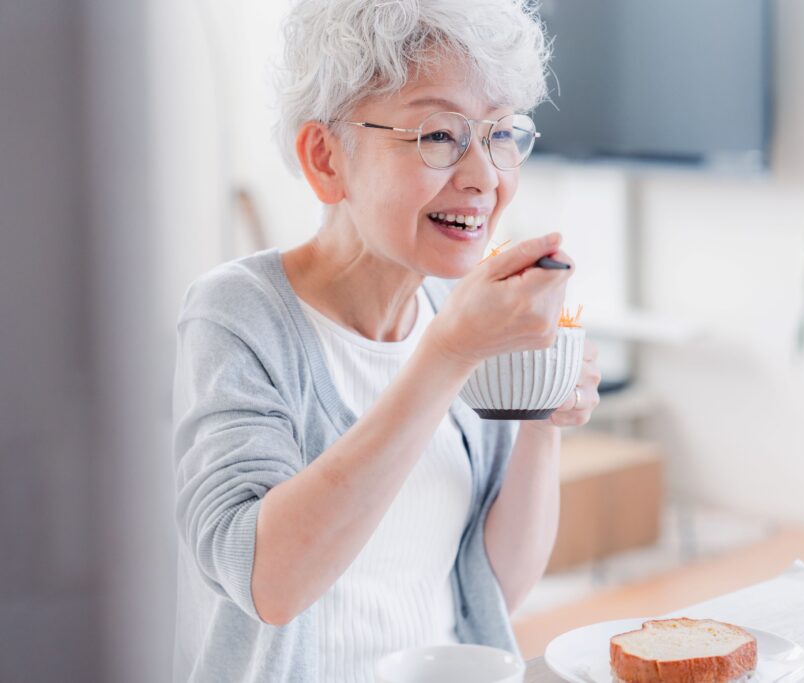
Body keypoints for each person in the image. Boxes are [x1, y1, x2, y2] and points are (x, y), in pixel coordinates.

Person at [172, 0, 600, 680]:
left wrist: (542, 420)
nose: (485, 178)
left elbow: (492, 591)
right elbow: (269, 584)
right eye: (438, 135)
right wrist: (448, 354)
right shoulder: (239, 316)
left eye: (500, 133)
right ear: (326, 158)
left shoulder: (454, 315)